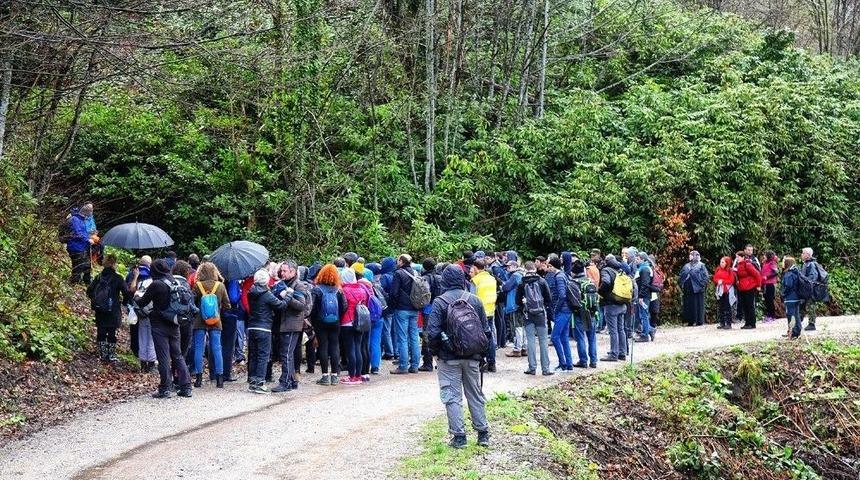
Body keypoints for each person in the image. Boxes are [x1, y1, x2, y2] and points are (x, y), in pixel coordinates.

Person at [425, 264, 491, 449]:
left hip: (448, 358)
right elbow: (486, 331)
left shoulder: (440, 302)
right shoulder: (475, 301)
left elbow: (433, 333)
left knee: (452, 396)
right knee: (475, 394)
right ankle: (483, 433)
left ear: (444, 281)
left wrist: (436, 353)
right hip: (473, 356)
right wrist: (482, 355)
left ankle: (459, 437)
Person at [134, 259, 193, 398]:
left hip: (159, 325)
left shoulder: (156, 284)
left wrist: (136, 296)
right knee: (178, 355)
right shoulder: (175, 282)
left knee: (164, 357)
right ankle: (186, 387)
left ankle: (165, 387)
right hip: (174, 324)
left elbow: (143, 303)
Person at [246, 269, 290, 394]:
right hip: (264, 327)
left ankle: (253, 381)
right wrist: (289, 295)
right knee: (263, 355)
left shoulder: (251, 292)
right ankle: (260, 382)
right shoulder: (266, 294)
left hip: (252, 326)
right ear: (266, 281)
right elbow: (281, 306)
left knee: (253, 355)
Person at [272, 261, 310, 392]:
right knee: (288, 353)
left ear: (293, 272)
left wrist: (286, 295)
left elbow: (301, 306)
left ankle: (285, 382)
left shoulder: (299, 285)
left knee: (286, 354)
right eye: (281, 271)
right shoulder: (284, 284)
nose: (282, 273)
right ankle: (292, 380)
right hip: (283, 323)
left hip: (292, 324)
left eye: (285, 271)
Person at [86, 254, 131, 363]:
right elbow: (126, 293)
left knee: (101, 331)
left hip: (100, 309)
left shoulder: (98, 277)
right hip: (113, 309)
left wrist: (96, 300)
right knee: (111, 331)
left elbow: (89, 291)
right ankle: (111, 355)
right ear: (114, 264)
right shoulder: (118, 278)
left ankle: (102, 354)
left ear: (104, 263)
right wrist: (123, 302)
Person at [191, 262, 229, 388]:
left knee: (198, 349)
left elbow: (192, 302)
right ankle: (219, 379)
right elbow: (227, 305)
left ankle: (198, 379)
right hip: (216, 320)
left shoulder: (197, 285)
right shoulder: (220, 286)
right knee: (217, 348)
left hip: (199, 321)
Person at [311, 264, 347, 386]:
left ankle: (325, 376)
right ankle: (335, 376)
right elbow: (344, 306)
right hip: (335, 321)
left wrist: (314, 320)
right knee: (335, 346)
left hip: (320, 322)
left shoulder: (317, 289)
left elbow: (313, 307)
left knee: (323, 347)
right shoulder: (339, 289)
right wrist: (338, 317)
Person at [516, 261, 553, 375]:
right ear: (535, 269)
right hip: (541, 314)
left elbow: (517, 301)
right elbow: (549, 298)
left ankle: (532, 368)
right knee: (543, 341)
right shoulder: (542, 281)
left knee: (531, 340)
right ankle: (545, 369)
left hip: (528, 315)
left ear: (525, 270)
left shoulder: (522, 283)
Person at [389, 254, 422, 375]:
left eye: (398, 260)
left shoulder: (399, 273)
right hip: (415, 308)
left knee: (402, 337)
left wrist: (392, 305)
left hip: (402, 309)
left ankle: (403, 366)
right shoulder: (415, 273)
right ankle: (415, 365)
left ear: (402, 262)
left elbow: (394, 293)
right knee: (414, 337)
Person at [340, 268, 370, 385]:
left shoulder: (344, 290)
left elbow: (343, 306)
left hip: (347, 321)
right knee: (358, 347)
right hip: (360, 321)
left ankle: (352, 376)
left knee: (350, 349)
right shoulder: (362, 289)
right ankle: (359, 374)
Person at [598, 254, 628, 362]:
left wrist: (600, 291)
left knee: (613, 330)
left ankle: (613, 354)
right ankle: (622, 353)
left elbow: (606, 282)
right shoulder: (620, 270)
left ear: (606, 261)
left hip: (611, 304)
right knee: (621, 329)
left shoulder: (606, 270)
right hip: (622, 303)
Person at [470, 258, 498, 373]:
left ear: (476, 268)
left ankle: (481, 362)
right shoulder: (492, 279)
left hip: (478, 313)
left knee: (478, 338)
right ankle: (492, 363)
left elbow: (471, 297)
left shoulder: (475, 280)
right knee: (489, 337)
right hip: (490, 311)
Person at [568, 259, 597, 368]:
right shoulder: (590, 281)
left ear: (574, 272)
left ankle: (583, 361)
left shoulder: (573, 283)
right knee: (592, 338)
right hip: (592, 312)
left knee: (580, 338)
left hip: (579, 313)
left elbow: (572, 301)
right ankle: (593, 361)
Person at [546, 256, 572, 372]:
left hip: (562, 310)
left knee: (555, 337)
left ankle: (563, 363)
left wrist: (556, 309)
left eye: (549, 266)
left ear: (552, 266)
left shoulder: (559, 277)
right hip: (566, 310)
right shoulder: (562, 275)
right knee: (564, 337)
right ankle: (568, 363)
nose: (548, 268)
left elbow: (562, 295)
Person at [126, 255, 152, 360]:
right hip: (147, 308)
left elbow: (128, 290)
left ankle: (135, 350)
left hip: (133, 306)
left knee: (134, 328)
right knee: (146, 333)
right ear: (149, 264)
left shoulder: (132, 273)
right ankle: (146, 355)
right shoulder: (151, 275)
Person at [420, 258, 442, 372]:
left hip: (427, 310)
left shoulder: (424, 279)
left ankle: (427, 362)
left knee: (427, 335)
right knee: (440, 334)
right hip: (439, 309)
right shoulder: (440, 278)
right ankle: (440, 360)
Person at [679, 251, 709, 326]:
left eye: (691, 255)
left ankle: (699, 321)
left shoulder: (701, 265)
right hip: (688, 288)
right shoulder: (686, 265)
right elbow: (681, 275)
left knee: (698, 304)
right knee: (689, 304)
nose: (689, 256)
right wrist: (682, 283)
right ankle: (690, 321)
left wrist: (701, 285)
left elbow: (705, 277)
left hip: (697, 288)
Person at [502, 260, 526, 358]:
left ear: (514, 266)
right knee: (522, 326)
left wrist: (503, 284)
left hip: (514, 304)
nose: (507, 268)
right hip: (521, 304)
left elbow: (506, 288)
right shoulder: (521, 274)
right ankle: (524, 347)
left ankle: (517, 349)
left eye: (508, 266)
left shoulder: (515, 275)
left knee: (516, 327)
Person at [65, 206, 93, 285]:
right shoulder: (75, 220)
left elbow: (83, 232)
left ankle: (85, 281)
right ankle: (73, 283)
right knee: (78, 267)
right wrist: (87, 240)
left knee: (86, 265)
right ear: (86, 213)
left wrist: (90, 237)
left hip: (82, 247)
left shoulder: (82, 220)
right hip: (75, 247)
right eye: (90, 212)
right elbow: (77, 233)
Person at [735, 251, 763, 329]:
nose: (737, 259)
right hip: (742, 287)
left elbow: (757, 274)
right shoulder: (739, 265)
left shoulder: (748, 264)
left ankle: (752, 323)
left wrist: (758, 285)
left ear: (743, 257)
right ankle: (747, 323)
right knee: (744, 305)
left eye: (738, 257)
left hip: (749, 287)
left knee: (750, 305)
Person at [633, 252, 656, 343]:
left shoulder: (645, 269)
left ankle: (645, 335)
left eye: (638, 259)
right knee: (641, 314)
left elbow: (645, 284)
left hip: (644, 296)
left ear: (643, 259)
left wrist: (641, 296)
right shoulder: (642, 268)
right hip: (642, 295)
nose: (636, 260)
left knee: (644, 315)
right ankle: (650, 330)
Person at [379, 256, 397, 360]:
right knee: (394, 330)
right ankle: (396, 351)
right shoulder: (396, 274)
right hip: (396, 306)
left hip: (387, 305)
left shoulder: (385, 277)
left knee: (386, 329)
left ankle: (389, 352)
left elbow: (381, 291)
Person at [712, 256, 737, 330]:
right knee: (721, 307)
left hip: (727, 291)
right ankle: (722, 323)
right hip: (720, 290)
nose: (721, 263)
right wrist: (718, 281)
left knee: (727, 307)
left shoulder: (730, 271)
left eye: (723, 262)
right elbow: (714, 278)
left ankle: (728, 323)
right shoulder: (718, 269)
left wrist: (722, 281)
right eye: (720, 262)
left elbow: (731, 281)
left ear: (727, 263)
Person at [781, 256, 803, 339]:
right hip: (796, 297)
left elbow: (788, 286)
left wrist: (783, 294)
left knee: (791, 315)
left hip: (790, 298)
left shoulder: (788, 274)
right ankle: (797, 331)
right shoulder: (796, 272)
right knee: (796, 315)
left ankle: (793, 333)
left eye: (783, 262)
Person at [800, 248, 821, 331]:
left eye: (803, 253)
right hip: (805, 289)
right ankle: (798, 323)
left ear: (808, 255)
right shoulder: (806, 264)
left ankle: (812, 324)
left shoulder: (811, 264)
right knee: (802, 306)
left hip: (810, 289)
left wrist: (805, 282)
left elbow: (813, 277)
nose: (802, 255)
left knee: (810, 306)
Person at [761, 251, 780, 324]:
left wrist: (767, 276)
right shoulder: (765, 263)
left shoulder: (772, 263)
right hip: (765, 283)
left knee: (770, 299)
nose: (764, 256)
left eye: (765, 255)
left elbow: (775, 272)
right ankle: (768, 315)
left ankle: (772, 316)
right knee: (766, 299)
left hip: (770, 283)